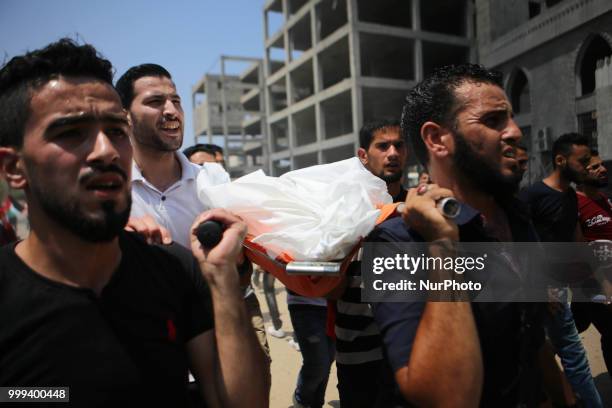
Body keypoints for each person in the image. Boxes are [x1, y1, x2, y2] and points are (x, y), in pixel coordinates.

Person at [0, 39, 267, 407]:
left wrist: (222, 280)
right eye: (71, 133)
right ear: (14, 168)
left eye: (114, 131)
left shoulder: (177, 272)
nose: (106, 151)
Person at [369, 64, 568, 406]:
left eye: (510, 118)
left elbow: (530, 339)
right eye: (493, 121)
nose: (515, 132)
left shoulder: (518, 217)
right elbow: (445, 397)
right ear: (436, 139)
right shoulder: (397, 242)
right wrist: (443, 245)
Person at [115, 63, 271, 386]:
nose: (171, 110)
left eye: (176, 100)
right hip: (149, 347)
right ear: (125, 115)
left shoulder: (213, 182)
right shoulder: (111, 190)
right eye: (156, 102)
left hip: (218, 337)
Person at [521, 133, 603, 407]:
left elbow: (576, 240)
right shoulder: (533, 196)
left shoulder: (570, 196)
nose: (587, 165)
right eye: (582, 161)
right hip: (544, 289)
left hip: (566, 285)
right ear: (560, 160)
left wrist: (597, 279)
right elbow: (519, 244)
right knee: (566, 351)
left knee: (564, 347)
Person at [333, 120, 408, 408]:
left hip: (408, 348)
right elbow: (330, 288)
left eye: (398, 145)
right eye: (382, 146)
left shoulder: (419, 205)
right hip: (358, 351)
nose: (392, 153)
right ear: (363, 155)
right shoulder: (343, 208)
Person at [573, 152, 612, 375]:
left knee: (577, 323)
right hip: (594, 282)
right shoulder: (574, 203)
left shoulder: (604, 200)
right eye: (595, 167)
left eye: (602, 165)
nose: (603, 169)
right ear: (580, 173)